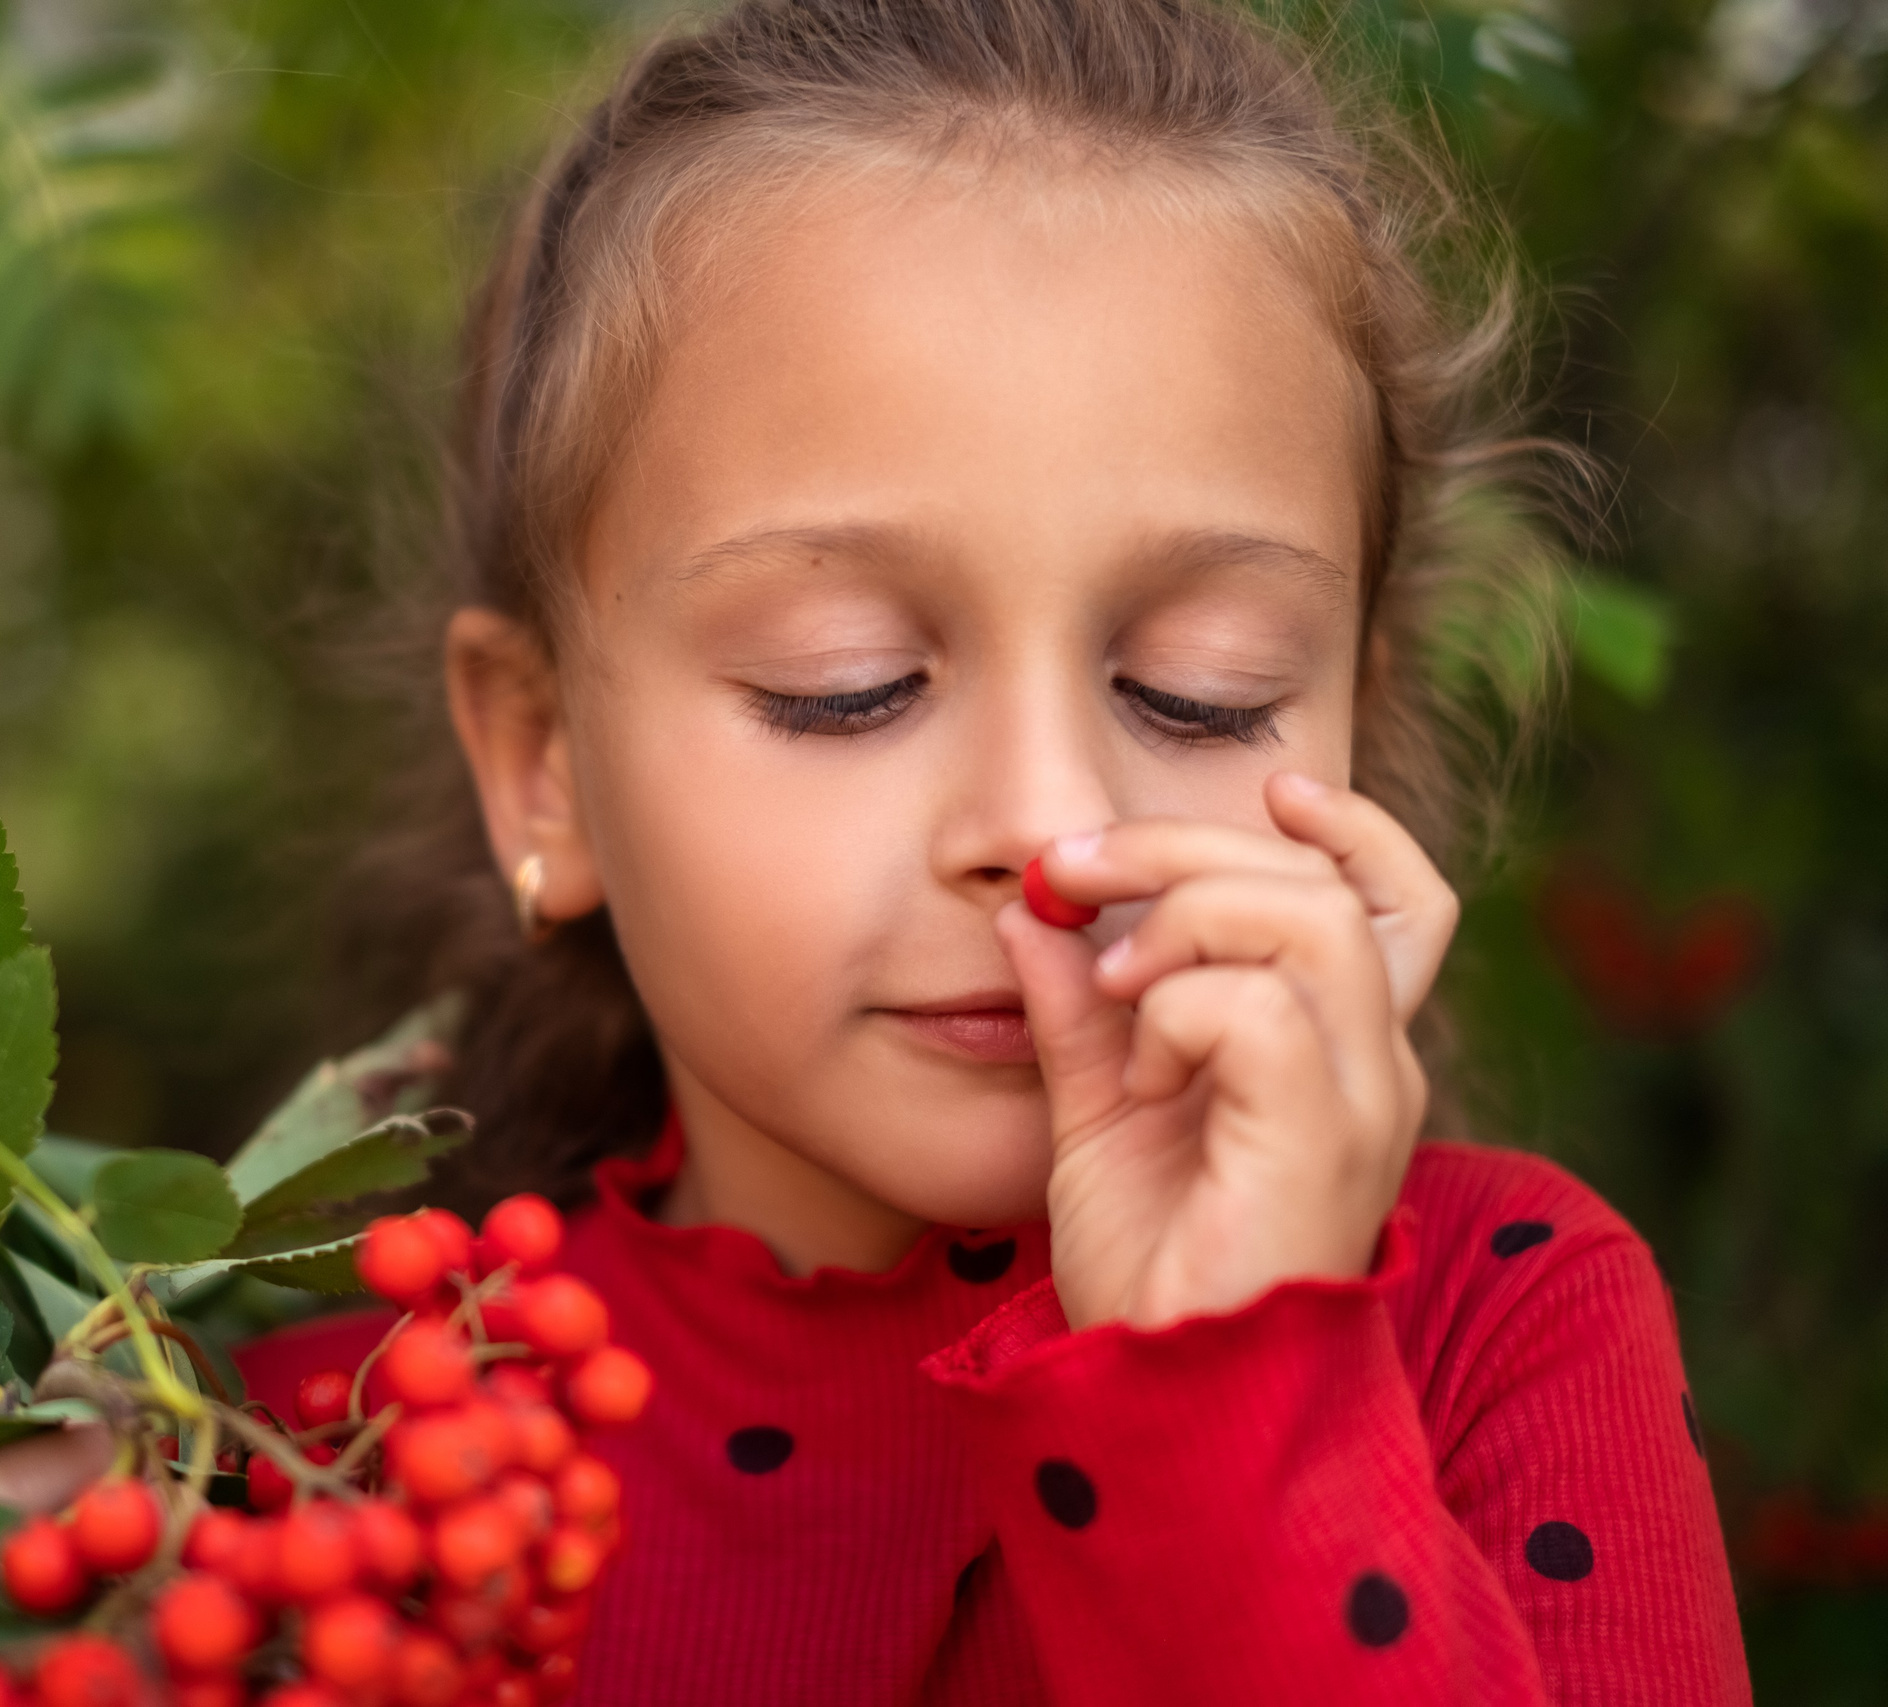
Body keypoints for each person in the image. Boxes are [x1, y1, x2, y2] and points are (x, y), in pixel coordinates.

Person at [236, 0, 1753, 1699]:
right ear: (544, 767)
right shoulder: (315, 1476)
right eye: (845, 686)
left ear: (1344, 728)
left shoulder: (1500, 1324)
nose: (1048, 824)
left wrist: (1237, 1385)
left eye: (1201, 695)